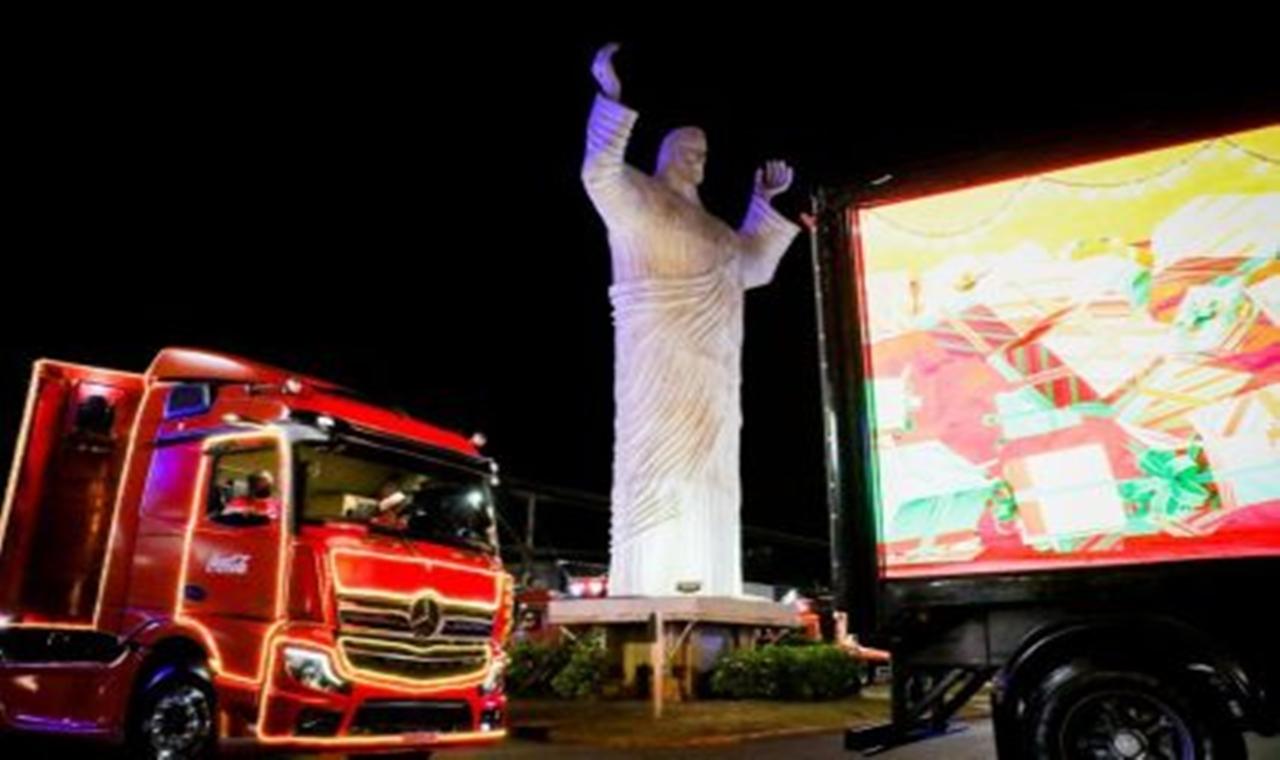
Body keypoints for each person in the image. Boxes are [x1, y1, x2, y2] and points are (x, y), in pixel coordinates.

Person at [581, 43, 801, 597]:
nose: (697, 162)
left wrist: (761, 202)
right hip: (657, 371)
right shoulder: (641, 203)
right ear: (665, 152)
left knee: (714, 478)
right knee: (657, 470)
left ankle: (712, 585)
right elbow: (599, 174)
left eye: (704, 154)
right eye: (688, 150)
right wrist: (610, 98)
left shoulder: (715, 230)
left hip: (714, 384)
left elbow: (752, 266)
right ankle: (646, 587)